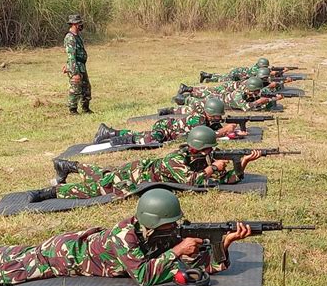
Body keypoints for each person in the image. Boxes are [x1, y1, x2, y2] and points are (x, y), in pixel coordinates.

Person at [0, 189, 252, 286]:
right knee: (11, 269)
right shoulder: (124, 237)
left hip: (75, 246)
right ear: (154, 223)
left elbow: (200, 266)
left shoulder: (156, 235)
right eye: (170, 224)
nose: (175, 228)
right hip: (61, 255)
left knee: (12, 253)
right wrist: (176, 251)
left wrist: (224, 244)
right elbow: (143, 277)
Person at [27, 126, 262, 201]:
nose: (213, 153)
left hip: (139, 173)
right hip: (135, 176)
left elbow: (226, 179)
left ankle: (69, 166)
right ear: (199, 148)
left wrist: (241, 164)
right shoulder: (176, 160)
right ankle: (51, 192)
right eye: (210, 149)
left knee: (102, 174)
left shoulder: (200, 157)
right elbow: (193, 182)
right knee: (96, 188)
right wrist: (212, 168)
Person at [93, 98, 246, 145]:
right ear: (210, 114)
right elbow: (195, 138)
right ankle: (115, 137)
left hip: (170, 128)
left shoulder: (206, 118)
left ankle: (110, 131)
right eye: (218, 116)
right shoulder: (198, 120)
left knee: (145, 135)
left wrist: (234, 132)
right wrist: (222, 132)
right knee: (151, 139)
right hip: (165, 128)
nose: (219, 119)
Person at [181, 77, 284, 112]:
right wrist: (258, 101)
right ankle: (182, 98)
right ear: (251, 89)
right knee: (196, 101)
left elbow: (258, 100)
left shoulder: (247, 91)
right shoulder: (238, 95)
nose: (258, 93)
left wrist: (274, 99)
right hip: (216, 100)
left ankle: (186, 92)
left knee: (205, 91)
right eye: (256, 91)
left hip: (221, 98)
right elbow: (246, 108)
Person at [63, 14, 92, 115]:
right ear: (75, 24)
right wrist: (74, 72)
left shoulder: (77, 36)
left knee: (86, 88)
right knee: (75, 88)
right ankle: (73, 110)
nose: (81, 25)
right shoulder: (70, 37)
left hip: (81, 66)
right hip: (75, 66)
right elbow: (71, 55)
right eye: (79, 23)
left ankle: (86, 108)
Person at [199, 57, 273, 83]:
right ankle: (209, 80)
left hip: (238, 72)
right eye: (265, 66)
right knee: (224, 79)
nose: (265, 68)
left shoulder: (257, 67)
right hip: (237, 74)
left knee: (224, 76)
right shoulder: (256, 70)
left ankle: (207, 75)